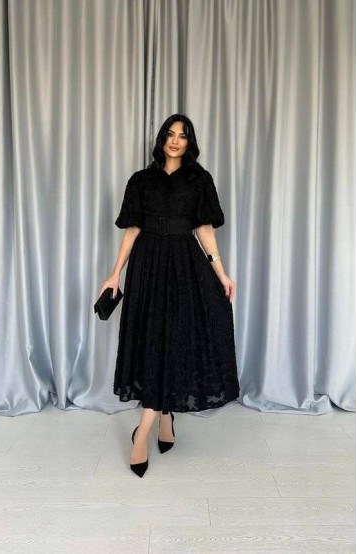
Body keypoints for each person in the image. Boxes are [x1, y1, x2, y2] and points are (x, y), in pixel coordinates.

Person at [98, 114, 240, 477]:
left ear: (190, 142)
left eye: (183, 135)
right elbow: (132, 230)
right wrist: (115, 273)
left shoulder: (199, 179)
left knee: (174, 341)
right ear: (162, 138)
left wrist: (221, 273)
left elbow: (204, 229)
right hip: (147, 268)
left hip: (184, 266)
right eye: (170, 134)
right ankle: (164, 419)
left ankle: (142, 432)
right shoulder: (141, 180)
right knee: (152, 341)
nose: (176, 140)